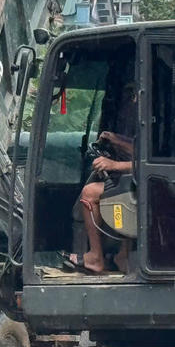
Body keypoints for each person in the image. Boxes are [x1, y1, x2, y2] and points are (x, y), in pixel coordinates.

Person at [66, 82, 138, 275]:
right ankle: (123, 255)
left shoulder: (152, 116)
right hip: (139, 183)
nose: (131, 98)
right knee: (122, 190)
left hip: (148, 185)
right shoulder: (148, 117)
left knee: (89, 193)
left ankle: (95, 257)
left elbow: (147, 161)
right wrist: (114, 140)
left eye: (133, 92)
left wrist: (114, 165)